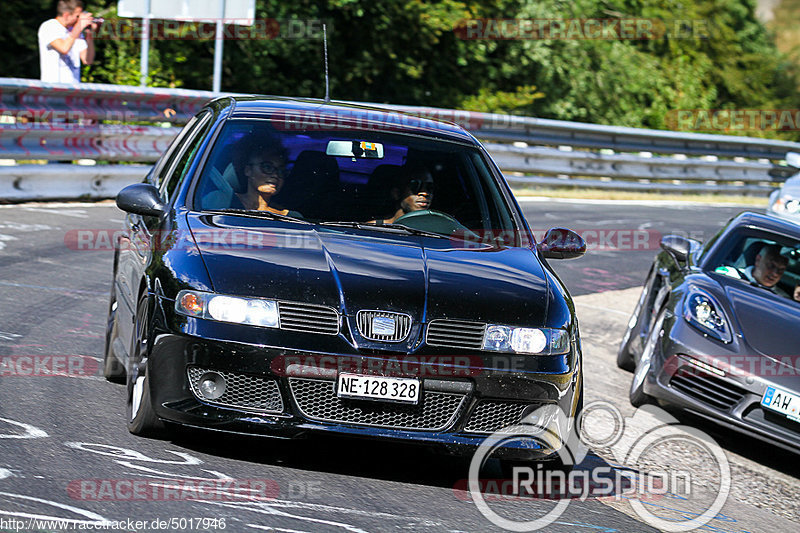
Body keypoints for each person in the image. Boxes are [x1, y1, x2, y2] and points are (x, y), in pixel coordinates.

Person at [38, 0, 96, 83]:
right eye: (77, 16)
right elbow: (64, 48)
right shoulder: (49, 26)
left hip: (73, 87)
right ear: (66, 15)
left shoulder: (75, 31)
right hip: (53, 87)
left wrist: (89, 33)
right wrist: (79, 27)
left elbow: (87, 60)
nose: (78, 20)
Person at [231, 139, 291, 215]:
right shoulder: (224, 201)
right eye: (267, 167)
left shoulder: (289, 217)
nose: (275, 175)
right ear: (248, 170)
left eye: (281, 171)